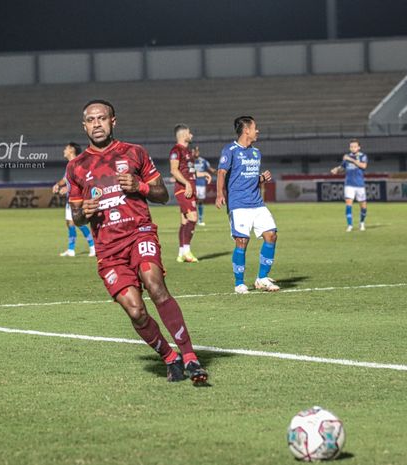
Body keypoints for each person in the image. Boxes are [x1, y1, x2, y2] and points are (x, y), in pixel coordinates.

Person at [66, 99, 208, 384]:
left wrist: (139, 186)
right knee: (135, 310)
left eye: (102, 118)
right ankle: (170, 358)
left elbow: (162, 194)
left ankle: (191, 357)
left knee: (155, 285)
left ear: (113, 121)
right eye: (91, 120)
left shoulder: (134, 153)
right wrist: (85, 212)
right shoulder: (77, 168)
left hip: (139, 232)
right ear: (84, 126)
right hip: (109, 249)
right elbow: (78, 216)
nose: (97, 124)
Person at [216, 116, 278, 294]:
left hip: (257, 203)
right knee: (242, 241)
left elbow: (247, 178)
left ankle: (262, 278)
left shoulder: (256, 153)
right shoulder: (230, 150)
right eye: (255, 128)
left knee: (271, 235)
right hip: (239, 204)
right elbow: (222, 172)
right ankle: (239, 283)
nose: (257, 131)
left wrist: (260, 179)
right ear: (246, 131)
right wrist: (220, 194)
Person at [52, 142, 95, 256]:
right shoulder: (70, 165)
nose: (64, 151)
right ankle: (71, 249)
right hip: (70, 199)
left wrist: (67, 188)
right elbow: (66, 179)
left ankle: (93, 246)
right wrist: (58, 184)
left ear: (71, 150)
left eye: (66, 148)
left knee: (78, 222)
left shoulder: (78, 164)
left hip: (78, 199)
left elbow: (82, 180)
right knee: (70, 223)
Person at [169, 124, 199, 263]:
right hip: (183, 189)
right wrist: (186, 183)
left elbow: (189, 171)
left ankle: (181, 253)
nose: (191, 135)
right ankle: (187, 252)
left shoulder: (187, 151)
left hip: (189, 188)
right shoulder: (176, 150)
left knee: (185, 221)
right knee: (193, 218)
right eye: (189, 132)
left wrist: (203, 173)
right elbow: (174, 170)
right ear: (183, 135)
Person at [330, 139, 368, 232]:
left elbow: (363, 166)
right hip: (349, 184)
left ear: (359, 147)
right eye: (351, 146)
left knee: (363, 206)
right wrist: (336, 170)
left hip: (359, 184)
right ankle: (350, 225)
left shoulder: (363, 156)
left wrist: (351, 159)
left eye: (355, 146)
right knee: (348, 204)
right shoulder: (347, 157)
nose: (353, 148)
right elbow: (342, 168)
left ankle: (362, 223)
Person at [192, 145, 216, 226]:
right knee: (193, 201)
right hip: (193, 183)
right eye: (195, 151)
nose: (197, 152)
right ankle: (192, 219)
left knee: (200, 201)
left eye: (198, 151)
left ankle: (200, 219)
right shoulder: (189, 161)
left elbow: (210, 169)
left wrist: (218, 172)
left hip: (201, 184)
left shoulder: (203, 161)